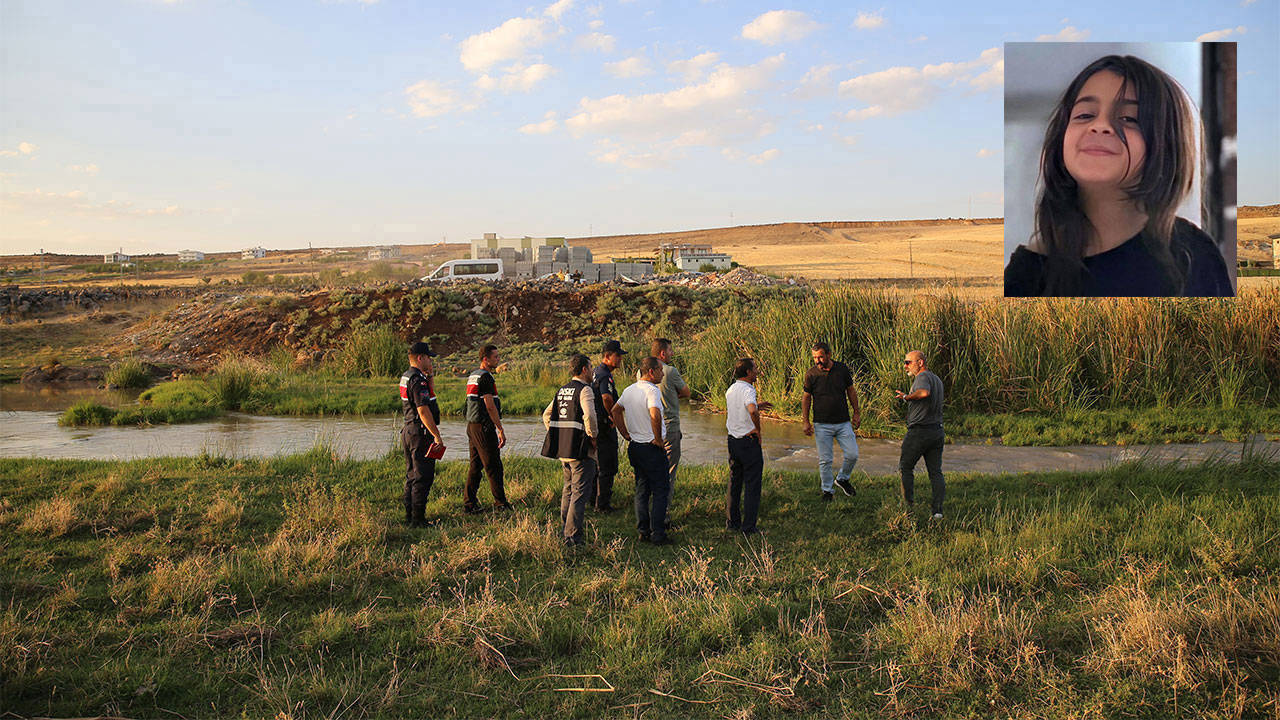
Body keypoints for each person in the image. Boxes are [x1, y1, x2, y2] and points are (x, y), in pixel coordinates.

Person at [1004, 54, 1233, 297]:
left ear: (1165, 145)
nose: (1100, 125)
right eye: (1085, 115)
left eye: (1128, 118)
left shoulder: (1192, 255)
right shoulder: (1026, 274)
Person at [541, 353, 599, 547]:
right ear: (584, 369)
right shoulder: (585, 390)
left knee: (568, 490)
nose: (592, 371)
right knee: (580, 493)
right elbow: (590, 416)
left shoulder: (562, 390)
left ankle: (565, 529)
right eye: (591, 368)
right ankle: (573, 538)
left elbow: (547, 415)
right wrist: (593, 437)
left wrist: (559, 433)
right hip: (581, 450)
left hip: (563, 450)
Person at [610, 356, 670, 545]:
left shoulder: (630, 390)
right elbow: (655, 414)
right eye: (660, 370)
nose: (662, 374)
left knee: (642, 489)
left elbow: (615, 411)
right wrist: (658, 439)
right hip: (651, 446)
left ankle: (643, 530)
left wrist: (625, 434)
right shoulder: (652, 391)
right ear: (651, 372)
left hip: (635, 446)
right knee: (661, 490)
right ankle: (658, 533)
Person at [801, 341, 861, 502]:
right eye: (814, 357)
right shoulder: (811, 374)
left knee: (852, 454)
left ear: (828, 355)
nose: (817, 360)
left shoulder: (841, 369)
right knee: (825, 460)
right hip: (821, 424)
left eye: (820, 356)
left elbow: (851, 391)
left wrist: (856, 413)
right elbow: (806, 398)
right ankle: (827, 491)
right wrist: (805, 421)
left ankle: (842, 479)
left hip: (843, 422)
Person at [895, 350, 945, 519]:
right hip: (937, 431)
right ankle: (937, 511)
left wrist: (907, 397)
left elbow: (924, 393)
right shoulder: (937, 379)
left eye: (908, 362)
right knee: (935, 472)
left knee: (905, 467)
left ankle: (907, 508)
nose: (905, 366)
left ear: (921, 363)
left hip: (919, 432)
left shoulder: (922, 378)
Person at [399, 341, 445, 527]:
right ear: (420, 358)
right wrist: (436, 435)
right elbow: (423, 410)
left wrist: (430, 376)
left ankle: (410, 516)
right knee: (422, 476)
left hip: (409, 430)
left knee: (412, 475)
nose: (430, 361)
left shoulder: (408, 376)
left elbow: (428, 395)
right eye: (428, 358)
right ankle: (418, 520)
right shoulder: (418, 380)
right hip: (420, 432)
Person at [644, 338, 691, 519]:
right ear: (662, 353)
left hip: (649, 428)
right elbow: (686, 392)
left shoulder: (642, 372)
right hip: (669, 427)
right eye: (670, 350)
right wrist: (672, 395)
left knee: (651, 471)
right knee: (669, 471)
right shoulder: (670, 371)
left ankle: (648, 510)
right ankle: (662, 513)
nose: (672, 353)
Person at [725, 357, 772, 536]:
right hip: (748, 442)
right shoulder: (748, 389)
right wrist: (757, 430)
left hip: (733, 441)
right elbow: (751, 410)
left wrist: (758, 406)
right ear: (747, 372)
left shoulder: (731, 389)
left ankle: (732, 522)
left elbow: (742, 408)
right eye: (755, 369)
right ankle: (749, 527)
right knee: (752, 484)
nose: (757, 372)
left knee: (734, 481)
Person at [464, 344, 511, 513]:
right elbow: (490, 406)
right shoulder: (486, 378)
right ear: (486, 359)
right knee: (493, 465)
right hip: (483, 427)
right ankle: (501, 504)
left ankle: (469, 504)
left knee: (476, 466)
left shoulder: (473, 375)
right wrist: (500, 429)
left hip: (472, 426)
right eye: (495, 357)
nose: (498, 360)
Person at [588, 340, 626, 513]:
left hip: (596, 424)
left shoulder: (596, 372)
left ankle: (592, 499)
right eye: (617, 356)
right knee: (608, 465)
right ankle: (602, 505)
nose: (619, 359)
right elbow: (606, 398)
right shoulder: (605, 375)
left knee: (597, 465)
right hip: (604, 426)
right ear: (607, 356)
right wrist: (612, 416)